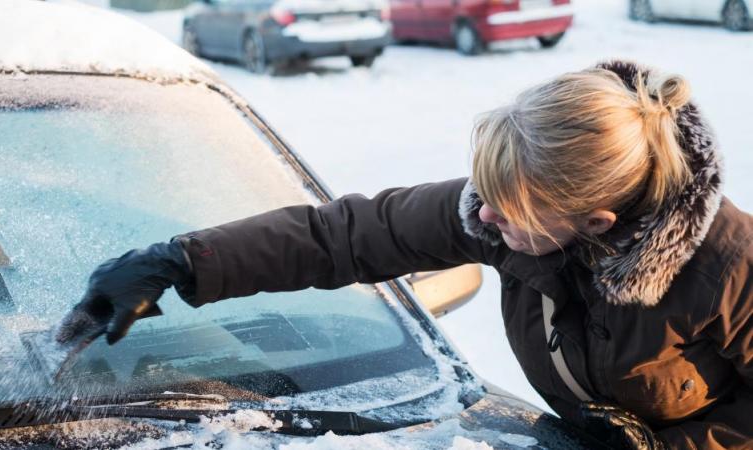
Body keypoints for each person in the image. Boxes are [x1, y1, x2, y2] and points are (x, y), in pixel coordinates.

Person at [56, 60, 752, 450]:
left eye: (507, 213)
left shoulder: (727, 267)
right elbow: (347, 236)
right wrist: (180, 262)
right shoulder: (500, 208)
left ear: (596, 221)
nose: (481, 217)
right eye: (485, 191)